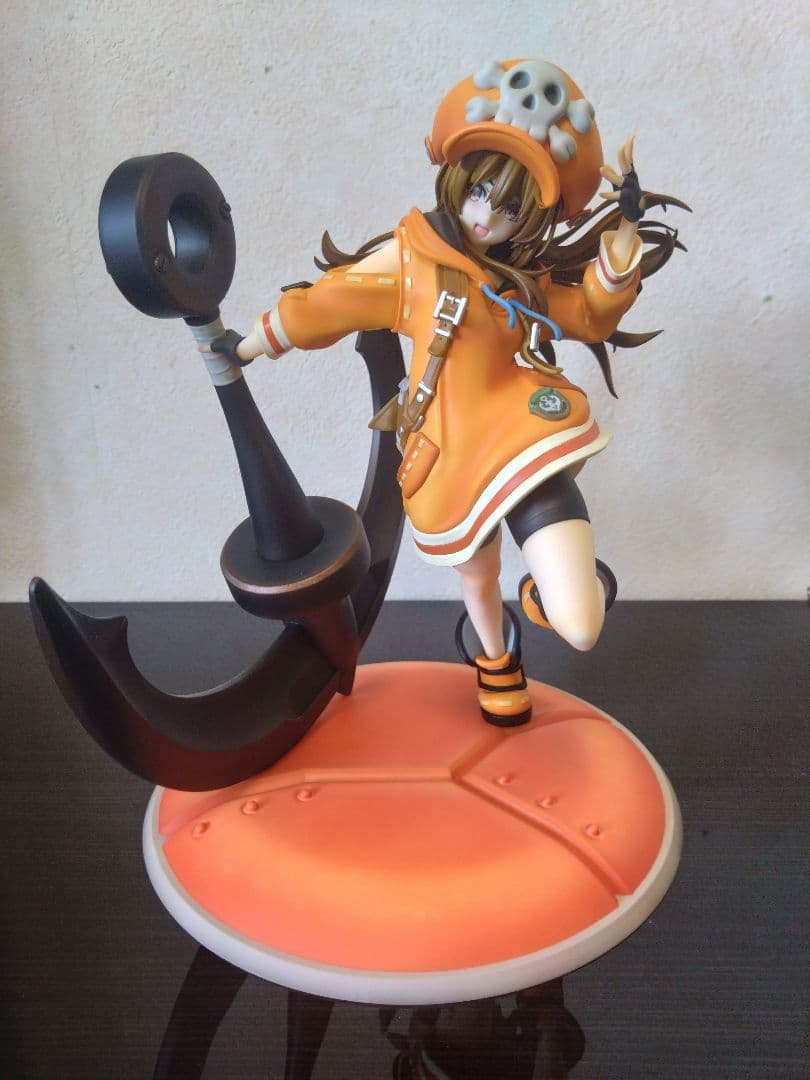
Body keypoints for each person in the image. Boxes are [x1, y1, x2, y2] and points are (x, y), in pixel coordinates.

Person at [216, 59, 685, 727]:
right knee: (478, 577)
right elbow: (334, 301)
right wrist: (251, 344)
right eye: (480, 192)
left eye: (511, 206)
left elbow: (588, 315)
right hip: (449, 457)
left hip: (524, 444)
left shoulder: (521, 280)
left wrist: (626, 235)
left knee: (581, 624)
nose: (487, 216)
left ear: (533, 216)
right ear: (456, 177)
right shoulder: (412, 258)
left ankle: (547, 597)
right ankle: (497, 663)